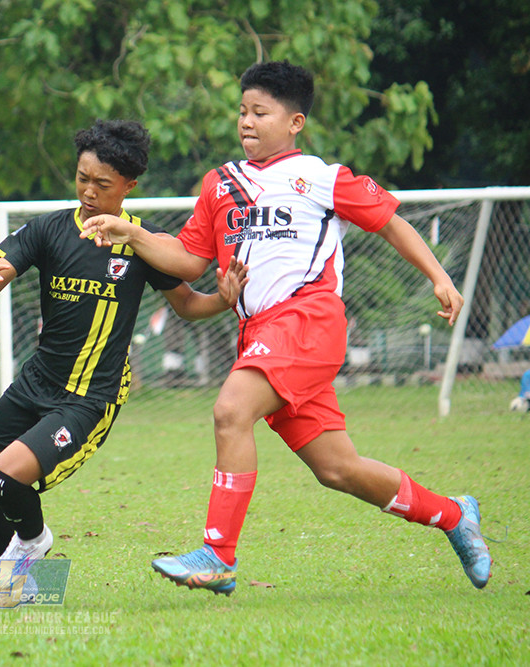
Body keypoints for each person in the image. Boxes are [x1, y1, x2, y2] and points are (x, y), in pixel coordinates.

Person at [80, 61, 492, 594]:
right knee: (338, 469)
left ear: (295, 121)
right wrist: (128, 232)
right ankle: (455, 516)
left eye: (261, 112)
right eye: (242, 111)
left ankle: (218, 556)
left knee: (231, 410)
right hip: (261, 335)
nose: (247, 122)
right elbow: (185, 260)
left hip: (308, 321)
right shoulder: (219, 184)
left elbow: (389, 220)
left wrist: (439, 276)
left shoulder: (322, 177)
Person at [0, 119, 248, 612]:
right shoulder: (50, 229)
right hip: (36, 382)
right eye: (81, 179)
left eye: (103, 184)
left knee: (8, 478)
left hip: (89, 397)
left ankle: (33, 546)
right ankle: (25, 593)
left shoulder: (141, 244)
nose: (89, 192)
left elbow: (186, 304)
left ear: (129, 186)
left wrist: (224, 300)